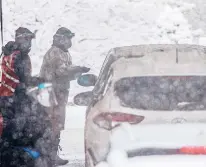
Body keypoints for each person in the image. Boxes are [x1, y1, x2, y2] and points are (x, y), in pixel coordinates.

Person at [40, 27, 90, 166]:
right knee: (53, 124)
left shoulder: (63, 53)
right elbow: (61, 72)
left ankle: (51, 153)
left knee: (56, 123)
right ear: (61, 39)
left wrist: (77, 72)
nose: (70, 42)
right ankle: (49, 154)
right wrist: (78, 69)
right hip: (52, 93)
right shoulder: (56, 52)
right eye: (68, 38)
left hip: (58, 92)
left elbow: (65, 74)